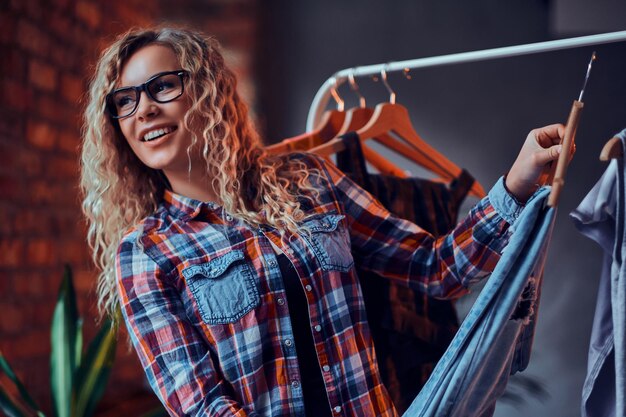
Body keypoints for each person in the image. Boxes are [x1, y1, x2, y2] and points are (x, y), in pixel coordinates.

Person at [80, 26, 568, 417]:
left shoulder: (308, 180)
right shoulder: (145, 253)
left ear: (206, 91)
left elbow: (435, 268)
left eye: (162, 86)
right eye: (124, 101)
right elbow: (204, 406)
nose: (143, 108)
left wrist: (517, 185)